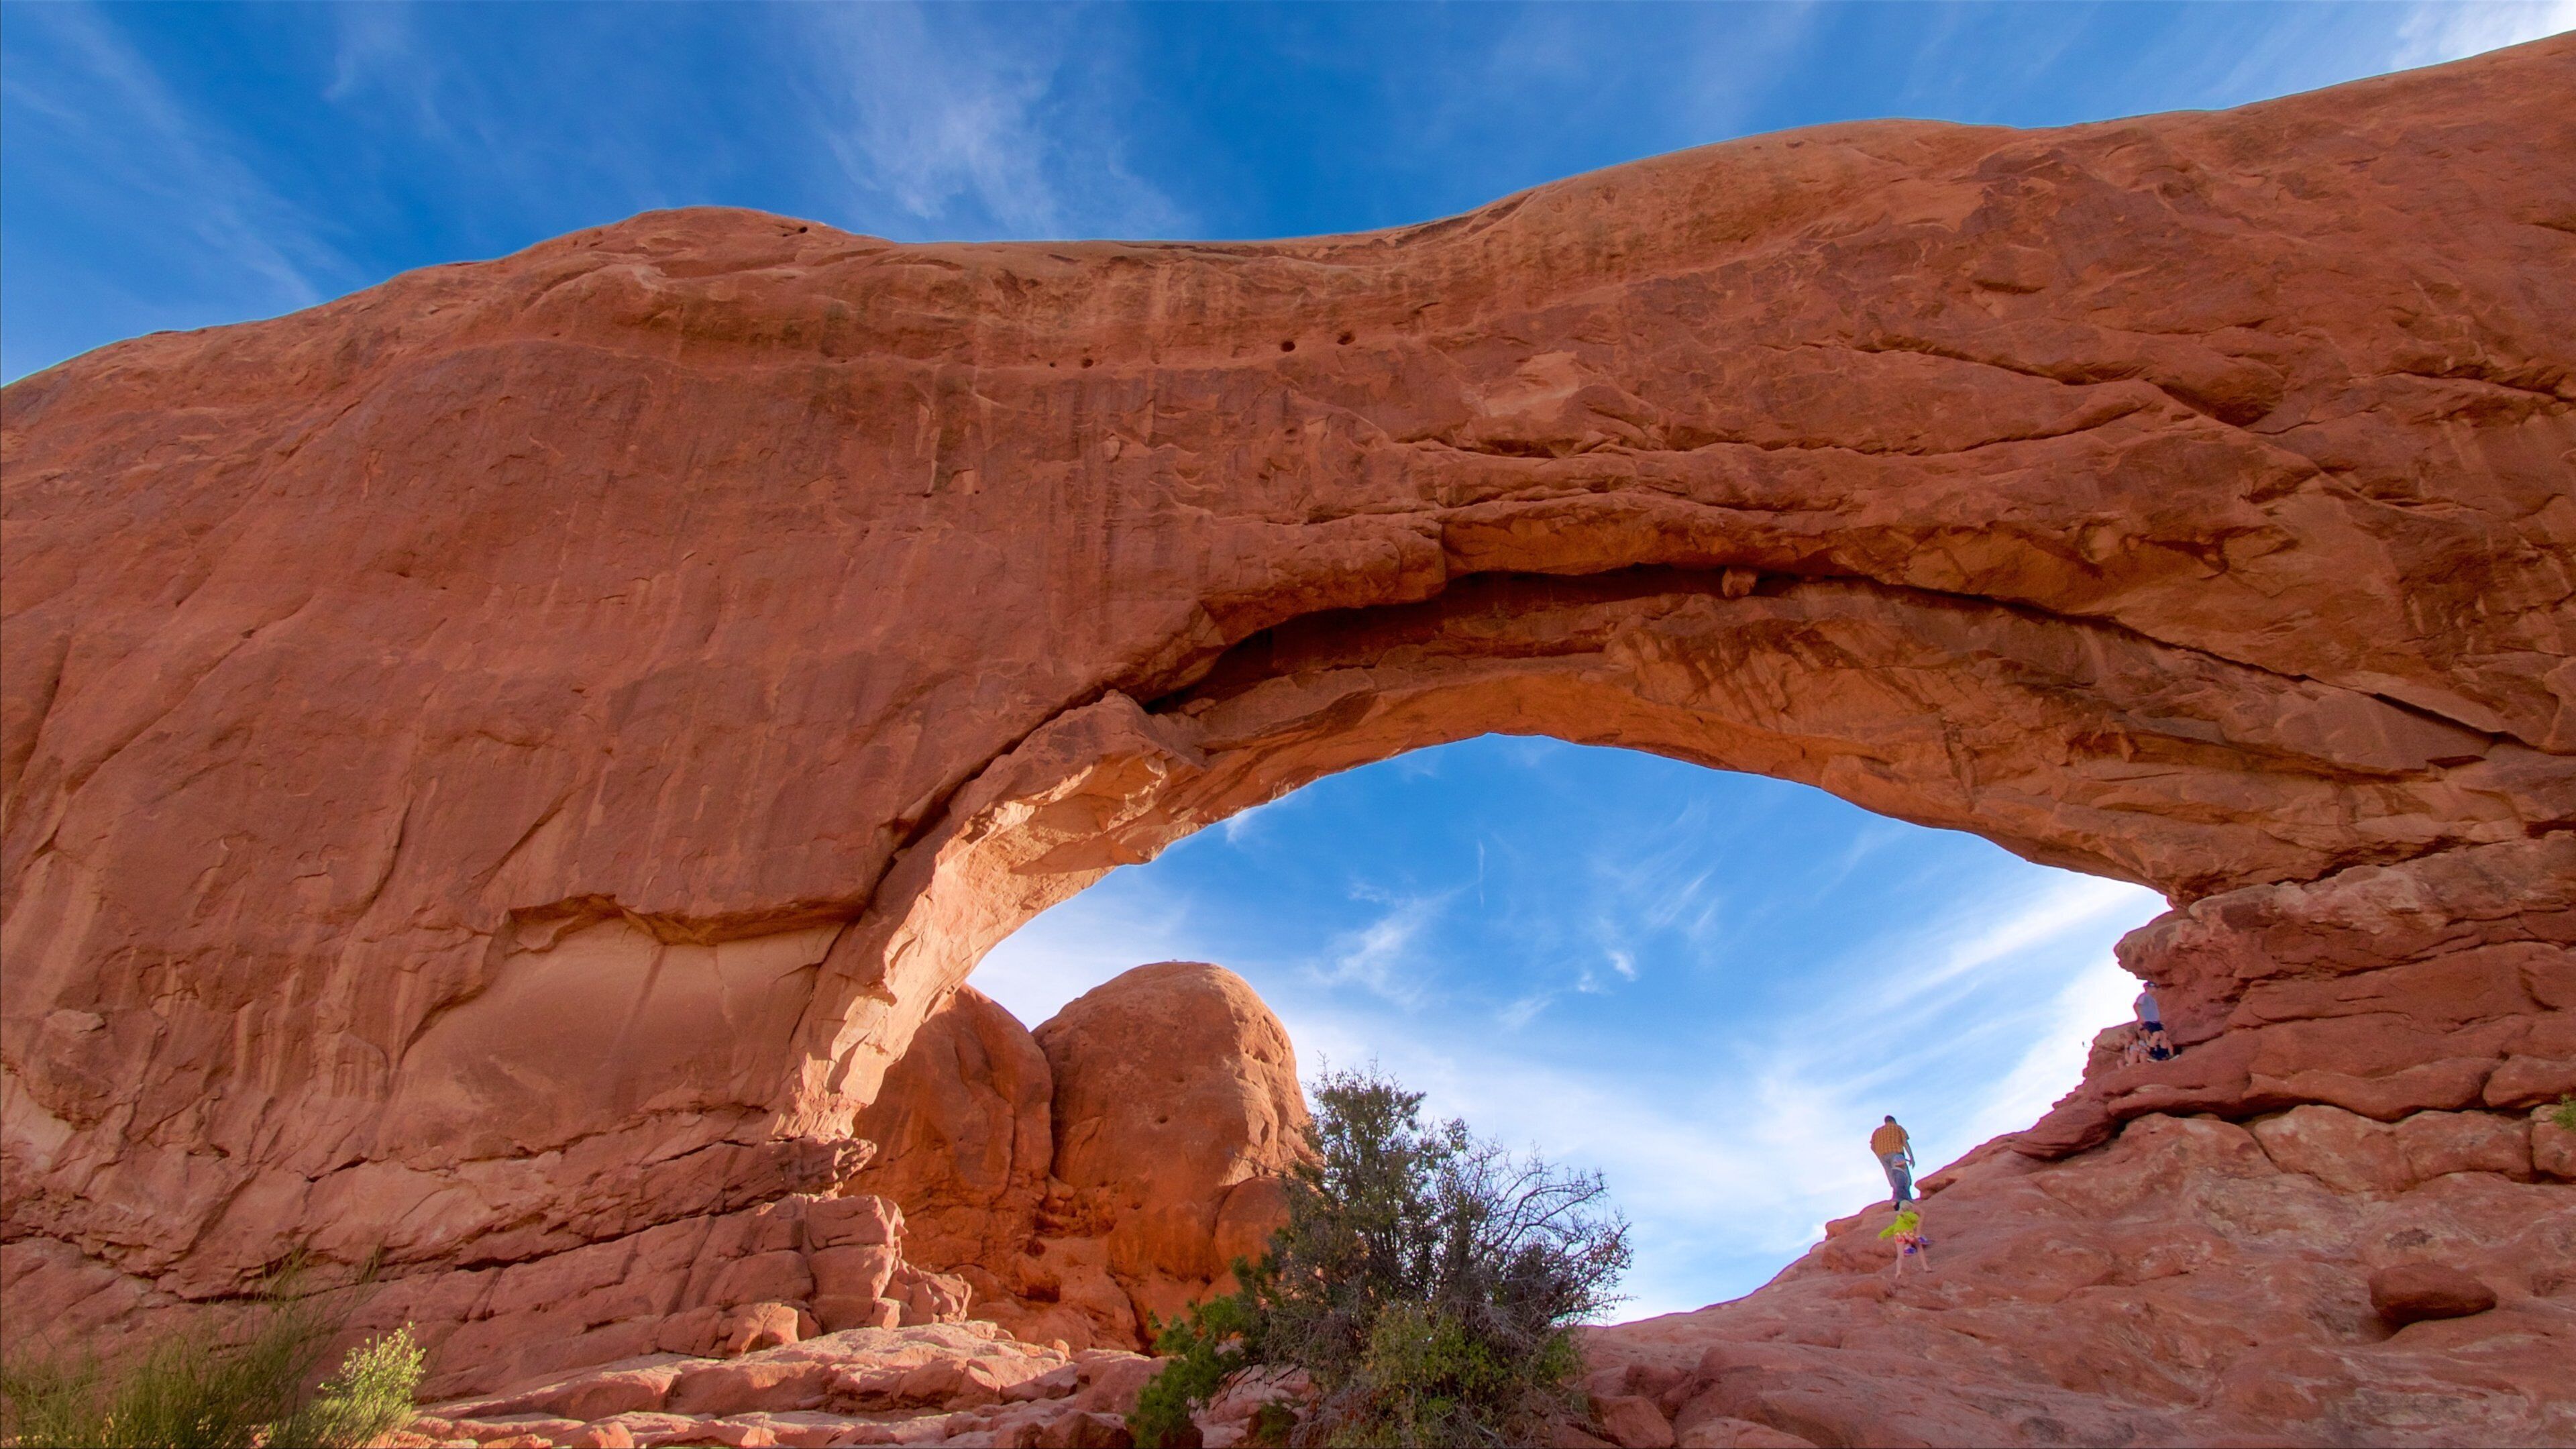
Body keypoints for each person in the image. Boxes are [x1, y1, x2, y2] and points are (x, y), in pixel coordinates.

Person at [1870, 1115, 1915, 1204]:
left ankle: (1898, 1199)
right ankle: (1904, 1199)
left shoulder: (1877, 1132)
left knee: (1892, 1178)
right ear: (1893, 1121)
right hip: (1896, 1154)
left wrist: (1879, 1156)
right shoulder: (1897, 1128)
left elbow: (1872, 1147)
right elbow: (1905, 1142)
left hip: (1883, 1156)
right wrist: (1911, 1158)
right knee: (1902, 1176)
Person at [1879, 1205, 1930, 1277]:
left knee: (1900, 1255)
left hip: (1899, 1235)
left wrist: (1882, 1235)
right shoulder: (1912, 1215)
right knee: (1919, 1247)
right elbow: (1914, 1220)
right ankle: (1926, 1267)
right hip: (1907, 1233)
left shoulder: (1899, 1219)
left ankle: (1898, 1272)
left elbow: (1891, 1228)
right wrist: (1905, 1216)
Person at [2135, 987, 2172, 1061]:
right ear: (2149, 988)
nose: (2155, 989)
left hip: (2155, 1021)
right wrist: (2140, 1017)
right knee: (2156, 1034)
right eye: (2153, 987)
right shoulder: (2144, 996)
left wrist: (2158, 1020)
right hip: (2148, 1020)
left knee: (2163, 1035)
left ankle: (2163, 1054)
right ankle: (2150, 1051)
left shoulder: (2152, 999)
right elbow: (2137, 1005)